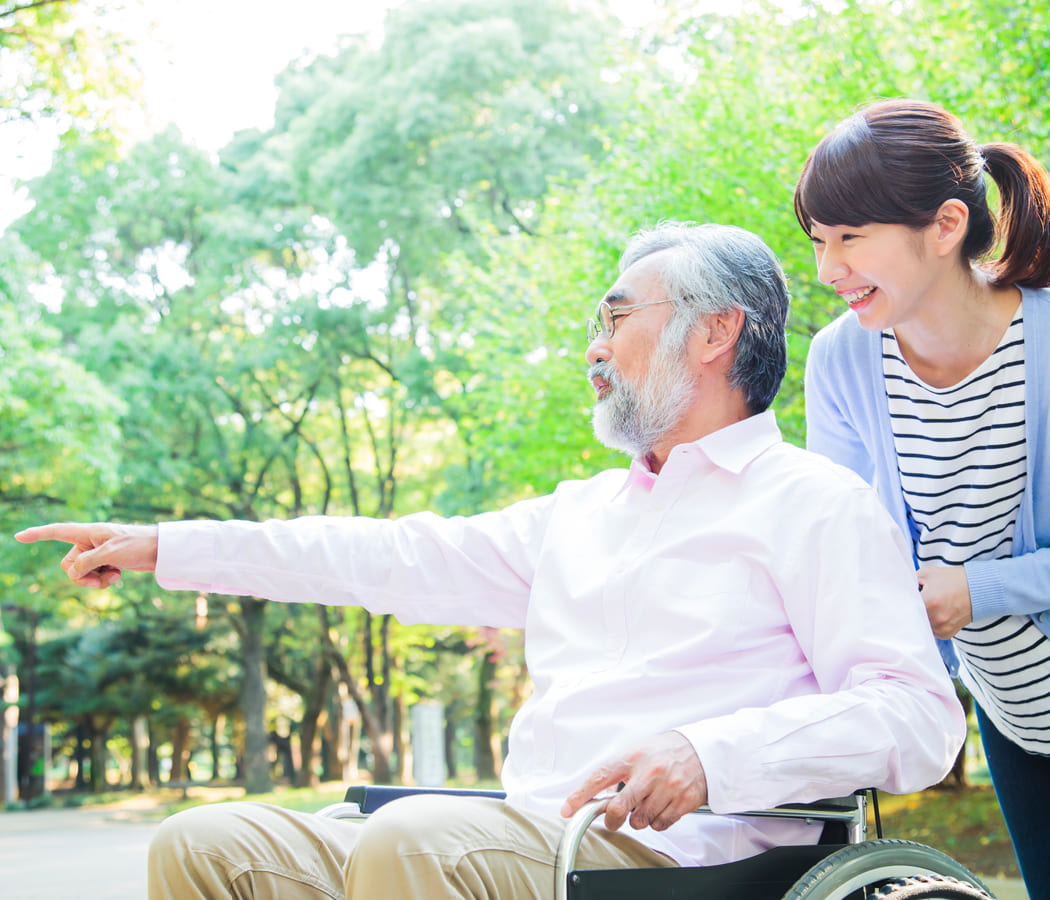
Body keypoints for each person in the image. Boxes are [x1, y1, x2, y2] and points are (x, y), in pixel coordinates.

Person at [17, 222, 966, 900]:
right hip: (524, 840)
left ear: (717, 332)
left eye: (615, 317)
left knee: (421, 839)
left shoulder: (815, 504)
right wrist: (170, 547)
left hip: (693, 858)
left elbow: (918, 717)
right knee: (207, 841)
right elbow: (380, 558)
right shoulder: (579, 516)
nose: (594, 348)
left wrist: (709, 754)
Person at [796, 98, 1050, 896]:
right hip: (1014, 715)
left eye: (849, 238)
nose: (826, 269)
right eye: (817, 241)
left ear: (944, 227)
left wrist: (982, 590)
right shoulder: (841, 359)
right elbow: (836, 537)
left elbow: (969, 587)